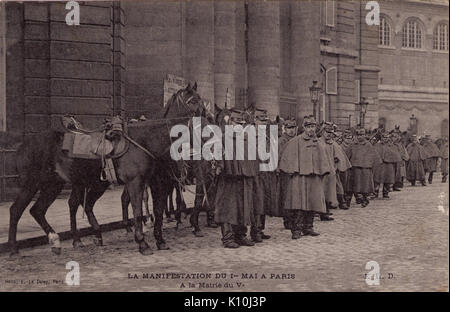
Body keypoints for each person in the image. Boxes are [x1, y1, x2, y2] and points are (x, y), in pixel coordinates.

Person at [279, 115, 332, 239]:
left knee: (313, 202)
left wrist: (322, 171)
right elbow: (286, 158)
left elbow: (324, 160)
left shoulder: (319, 143)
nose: (311, 129)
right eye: (308, 127)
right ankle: (296, 229)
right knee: (298, 204)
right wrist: (293, 170)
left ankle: (308, 227)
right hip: (299, 177)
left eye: (313, 126)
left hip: (314, 177)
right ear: (304, 127)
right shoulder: (295, 141)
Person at [214, 112, 258, 248]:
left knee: (244, 207)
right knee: (228, 208)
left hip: (245, 178)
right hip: (229, 178)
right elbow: (216, 155)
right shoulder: (222, 138)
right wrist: (219, 166)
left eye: (241, 123)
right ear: (230, 123)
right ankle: (228, 237)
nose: (239, 126)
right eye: (236, 123)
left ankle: (241, 235)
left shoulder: (247, 138)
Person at [347, 128, 382, 207]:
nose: (360, 137)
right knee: (355, 185)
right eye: (358, 135)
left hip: (366, 168)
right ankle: (355, 199)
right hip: (355, 167)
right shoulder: (352, 145)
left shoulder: (368, 145)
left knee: (365, 185)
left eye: (362, 135)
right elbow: (347, 155)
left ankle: (365, 199)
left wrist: (371, 165)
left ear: (364, 135)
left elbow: (374, 156)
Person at [278, 119, 298, 230]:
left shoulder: (297, 140)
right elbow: (279, 156)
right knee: (286, 197)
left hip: (295, 171)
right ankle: (287, 220)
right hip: (285, 172)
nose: (291, 131)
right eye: (289, 128)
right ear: (285, 129)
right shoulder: (282, 141)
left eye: (293, 128)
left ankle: (294, 219)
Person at [372, 133, 402, 199]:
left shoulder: (391, 146)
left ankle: (385, 193)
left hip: (388, 165)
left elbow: (395, 154)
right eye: (384, 137)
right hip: (379, 165)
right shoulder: (377, 145)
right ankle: (375, 192)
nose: (385, 139)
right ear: (381, 138)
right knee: (376, 179)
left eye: (386, 137)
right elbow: (374, 153)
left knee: (388, 179)